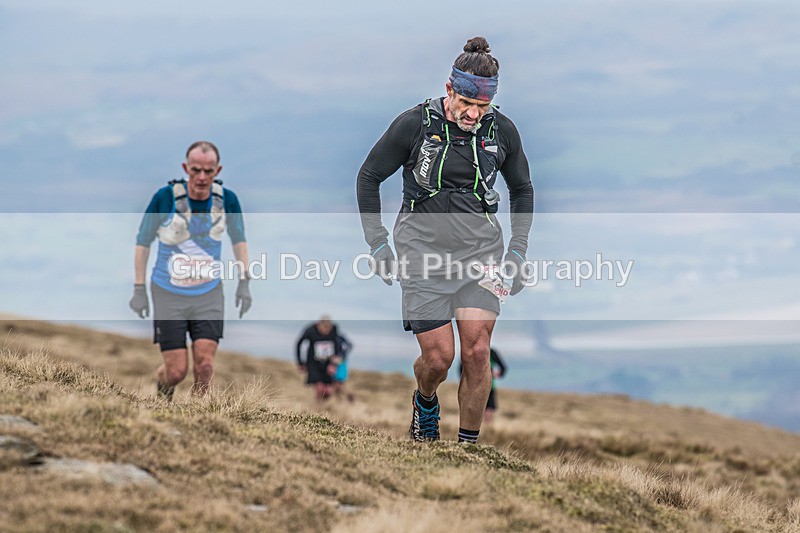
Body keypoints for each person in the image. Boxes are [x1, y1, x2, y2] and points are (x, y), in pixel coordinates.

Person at [356, 37, 533, 444]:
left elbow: (523, 189)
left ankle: (468, 449)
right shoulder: (413, 124)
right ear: (449, 90)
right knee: (439, 358)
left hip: (481, 254)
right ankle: (425, 401)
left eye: (482, 107)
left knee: (476, 352)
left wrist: (518, 251)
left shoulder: (501, 131)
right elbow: (368, 177)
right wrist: (378, 244)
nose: (473, 114)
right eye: (466, 104)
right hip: (421, 254)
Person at [128, 141, 252, 400]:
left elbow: (239, 239)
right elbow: (143, 241)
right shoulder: (164, 198)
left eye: (209, 171)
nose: (202, 177)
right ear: (186, 168)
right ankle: (162, 396)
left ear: (218, 170)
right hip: (167, 293)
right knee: (176, 372)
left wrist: (244, 282)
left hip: (208, 293)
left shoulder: (227, 200)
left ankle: (197, 419)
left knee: (205, 367)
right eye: (196, 170)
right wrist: (139, 288)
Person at [295, 316, 343, 403]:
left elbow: (338, 345)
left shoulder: (334, 330)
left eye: (328, 328)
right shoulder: (310, 330)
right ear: (318, 325)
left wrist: (334, 363)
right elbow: (299, 343)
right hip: (313, 363)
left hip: (328, 363)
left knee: (328, 391)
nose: (326, 331)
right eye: (324, 328)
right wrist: (300, 363)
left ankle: (323, 405)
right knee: (320, 388)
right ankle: (317, 408)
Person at [459, 347, 507, 423]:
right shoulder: (471, 350)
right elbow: (461, 368)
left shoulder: (490, 352)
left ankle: (486, 429)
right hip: (477, 386)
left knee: (488, 408)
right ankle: (483, 428)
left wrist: (497, 374)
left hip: (488, 386)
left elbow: (503, 368)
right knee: (479, 409)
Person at [332, 333, 354, 402]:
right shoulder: (339, 337)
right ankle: (339, 401)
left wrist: (341, 356)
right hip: (338, 362)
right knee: (336, 384)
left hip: (340, 363)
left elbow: (349, 345)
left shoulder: (338, 337)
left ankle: (349, 395)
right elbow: (349, 345)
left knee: (339, 384)